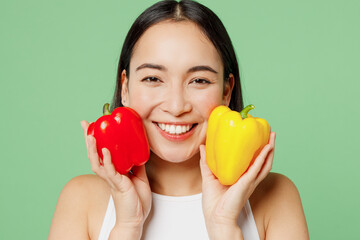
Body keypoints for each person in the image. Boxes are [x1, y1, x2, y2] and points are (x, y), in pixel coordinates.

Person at [49, 0, 309, 239]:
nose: (176, 106)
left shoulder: (276, 197)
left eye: (199, 81)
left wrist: (224, 227)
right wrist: (128, 226)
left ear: (226, 92)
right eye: (153, 78)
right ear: (125, 88)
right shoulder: (80, 200)